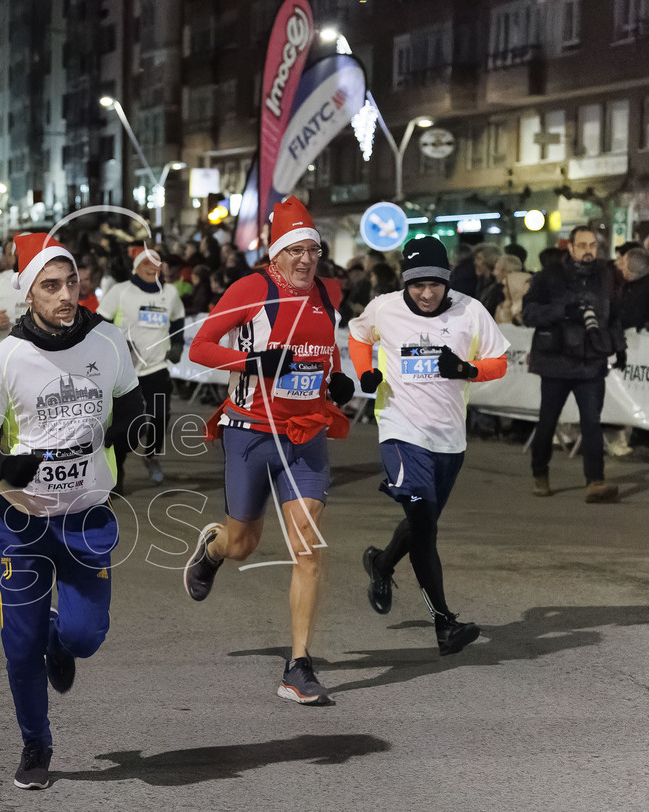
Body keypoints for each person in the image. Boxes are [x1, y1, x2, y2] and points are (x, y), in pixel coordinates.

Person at [0, 232, 141, 789]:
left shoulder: (107, 341)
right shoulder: (8, 356)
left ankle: (60, 640)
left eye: (72, 282)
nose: (66, 295)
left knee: (86, 636)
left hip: (87, 517)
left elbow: (134, 403)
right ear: (28, 295)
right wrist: (0, 468)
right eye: (51, 286)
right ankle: (35, 744)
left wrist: (133, 428)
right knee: (19, 645)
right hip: (24, 521)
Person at [183, 197, 355, 706]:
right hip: (251, 432)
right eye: (296, 251)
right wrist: (255, 361)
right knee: (243, 543)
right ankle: (213, 548)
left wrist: (337, 379)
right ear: (276, 254)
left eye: (312, 250)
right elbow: (200, 348)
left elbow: (325, 347)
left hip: (306, 433)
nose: (306, 260)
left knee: (308, 545)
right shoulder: (250, 289)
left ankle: (298, 665)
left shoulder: (326, 292)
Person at [349, 236, 509, 655]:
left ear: (447, 281)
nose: (425, 293)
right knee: (422, 519)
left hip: (449, 439)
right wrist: (366, 372)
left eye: (434, 284)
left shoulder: (470, 311)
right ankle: (444, 623)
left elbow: (500, 362)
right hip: (400, 430)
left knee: (424, 523)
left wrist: (467, 368)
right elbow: (358, 336)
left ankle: (381, 564)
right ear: (406, 281)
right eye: (417, 284)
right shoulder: (385, 306)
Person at [522, 226, 625, 502]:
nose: (588, 250)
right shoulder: (549, 276)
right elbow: (529, 313)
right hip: (556, 360)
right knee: (547, 421)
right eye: (582, 245)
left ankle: (595, 480)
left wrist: (620, 346)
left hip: (591, 360)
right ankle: (540, 472)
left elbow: (613, 314)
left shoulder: (606, 275)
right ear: (571, 248)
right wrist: (561, 311)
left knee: (592, 422)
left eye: (592, 245)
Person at [97, 245, 184, 491]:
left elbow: (177, 320)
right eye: (146, 264)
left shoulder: (170, 293)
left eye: (155, 264)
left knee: (159, 416)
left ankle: (152, 455)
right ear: (136, 267)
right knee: (127, 422)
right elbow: (99, 323)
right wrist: (117, 343)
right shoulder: (121, 291)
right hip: (125, 371)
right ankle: (118, 467)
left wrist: (177, 345)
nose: (151, 268)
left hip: (156, 368)